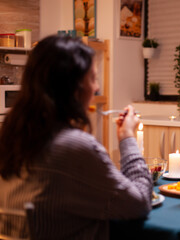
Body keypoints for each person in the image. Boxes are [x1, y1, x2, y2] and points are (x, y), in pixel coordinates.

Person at [0, 35, 152, 239]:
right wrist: (127, 137)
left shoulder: (10, 137)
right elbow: (138, 203)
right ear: (73, 87)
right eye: (93, 78)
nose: (96, 87)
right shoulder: (73, 147)